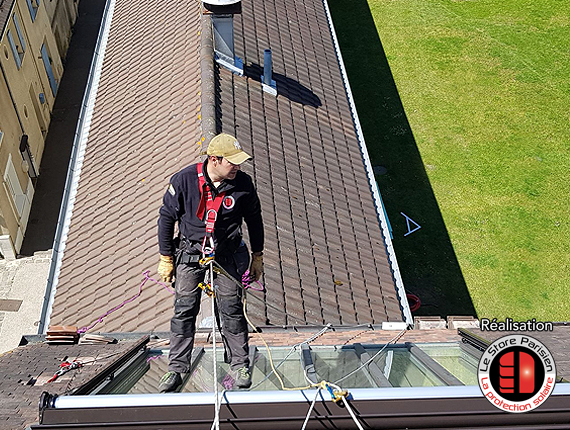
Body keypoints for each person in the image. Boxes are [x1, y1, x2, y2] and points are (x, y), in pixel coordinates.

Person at [157, 133, 264, 392]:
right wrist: (165, 257)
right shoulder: (184, 181)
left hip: (227, 254)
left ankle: (239, 364)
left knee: (231, 308)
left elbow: (254, 219)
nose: (237, 167)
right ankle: (176, 368)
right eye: (232, 162)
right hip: (191, 253)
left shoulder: (243, 184)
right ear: (214, 160)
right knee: (184, 309)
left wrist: (257, 255)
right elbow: (166, 218)